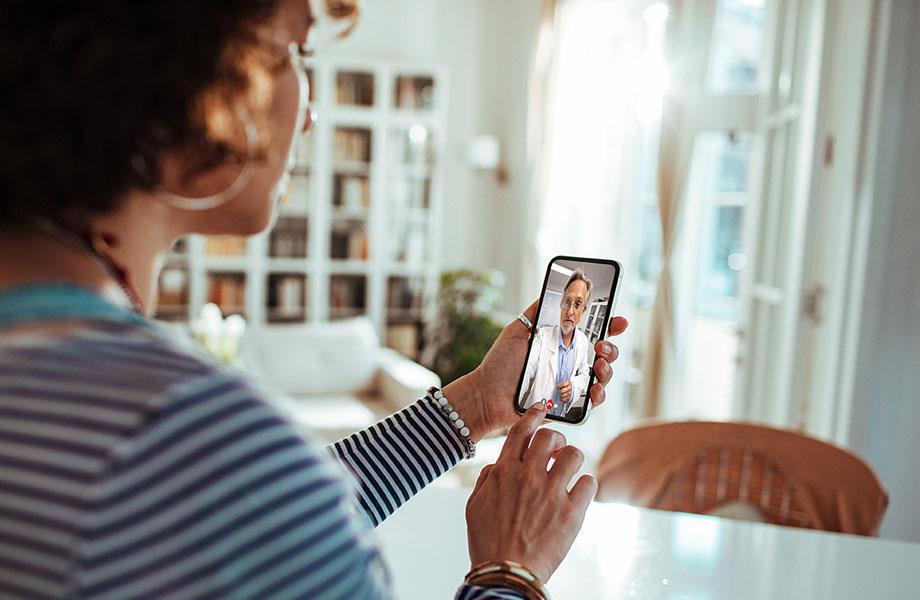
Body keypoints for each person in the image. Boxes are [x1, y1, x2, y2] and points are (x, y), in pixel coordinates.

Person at [0, 1, 628, 599]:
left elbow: (254, 527)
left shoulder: (160, 446)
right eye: (289, 52)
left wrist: (475, 404)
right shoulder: (177, 431)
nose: (310, 115)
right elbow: (249, 507)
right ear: (176, 76)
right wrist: (511, 568)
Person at [518, 269, 594, 418]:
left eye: (577, 304)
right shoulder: (542, 336)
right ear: (561, 304)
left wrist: (574, 386)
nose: (570, 311)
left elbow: (585, 372)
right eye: (567, 302)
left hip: (560, 418)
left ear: (583, 311)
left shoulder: (583, 341)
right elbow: (526, 371)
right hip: (534, 416)